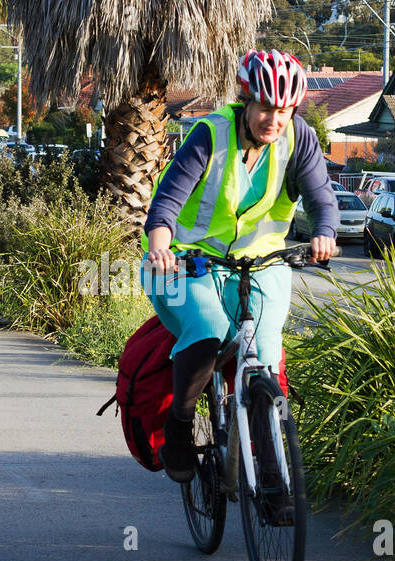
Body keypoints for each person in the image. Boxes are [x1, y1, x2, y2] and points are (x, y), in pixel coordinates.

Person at [140, 49, 338, 484]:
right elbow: (166, 205)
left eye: (284, 110)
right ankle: (179, 425)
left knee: (266, 352)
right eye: (266, 107)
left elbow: (322, 197)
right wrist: (159, 248)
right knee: (208, 326)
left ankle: (271, 471)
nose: (274, 119)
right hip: (186, 261)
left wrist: (325, 232)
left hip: (261, 263)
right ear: (246, 101)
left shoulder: (298, 139)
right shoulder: (210, 135)